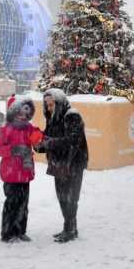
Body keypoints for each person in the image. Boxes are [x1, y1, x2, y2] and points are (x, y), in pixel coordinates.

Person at [34, 89, 88, 243]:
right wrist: (39, 145)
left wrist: (48, 142)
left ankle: (70, 230)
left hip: (73, 163)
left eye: (51, 105)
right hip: (59, 163)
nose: (49, 108)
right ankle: (70, 228)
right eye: (47, 105)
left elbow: (72, 141)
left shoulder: (72, 116)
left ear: (59, 102)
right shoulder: (53, 118)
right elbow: (49, 138)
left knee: (71, 197)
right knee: (62, 197)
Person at [0, 96, 43, 243]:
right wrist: (13, 150)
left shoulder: (29, 128)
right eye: (20, 112)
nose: (23, 115)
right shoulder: (5, 130)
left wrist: (38, 137)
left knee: (23, 205)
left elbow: (38, 139)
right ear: (13, 112)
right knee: (11, 204)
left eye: (26, 112)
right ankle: (7, 233)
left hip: (25, 173)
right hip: (10, 174)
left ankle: (20, 231)